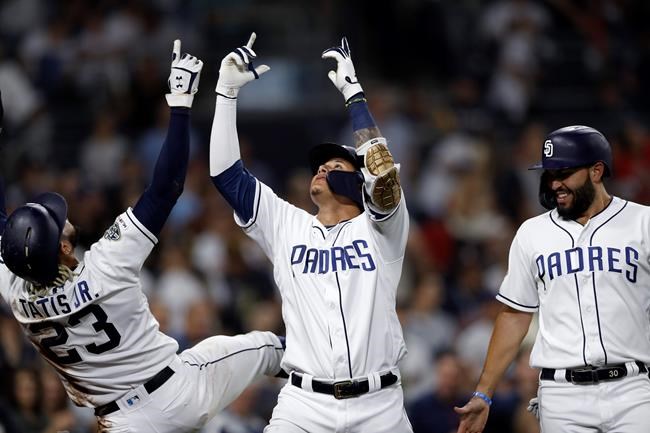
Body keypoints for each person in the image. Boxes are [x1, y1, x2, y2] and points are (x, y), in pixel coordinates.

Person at [0, 40, 284, 433]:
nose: (63, 217)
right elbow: (166, 186)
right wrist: (181, 103)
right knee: (271, 348)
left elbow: (4, 230)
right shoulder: (105, 266)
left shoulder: (14, 291)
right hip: (178, 392)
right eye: (58, 221)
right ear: (64, 248)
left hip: (121, 423)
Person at [209, 33, 412, 432]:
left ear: (359, 183)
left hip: (379, 407)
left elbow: (384, 173)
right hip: (303, 406)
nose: (322, 168)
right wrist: (226, 94)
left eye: (337, 165)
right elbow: (227, 177)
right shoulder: (288, 225)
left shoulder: (383, 228)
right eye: (320, 165)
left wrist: (354, 96)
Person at [454, 125, 650, 433]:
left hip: (634, 390)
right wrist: (484, 392)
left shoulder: (642, 223)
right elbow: (515, 315)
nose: (554, 183)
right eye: (550, 174)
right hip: (562, 395)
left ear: (596, 171)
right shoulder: (533, 233)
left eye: (564, 173)